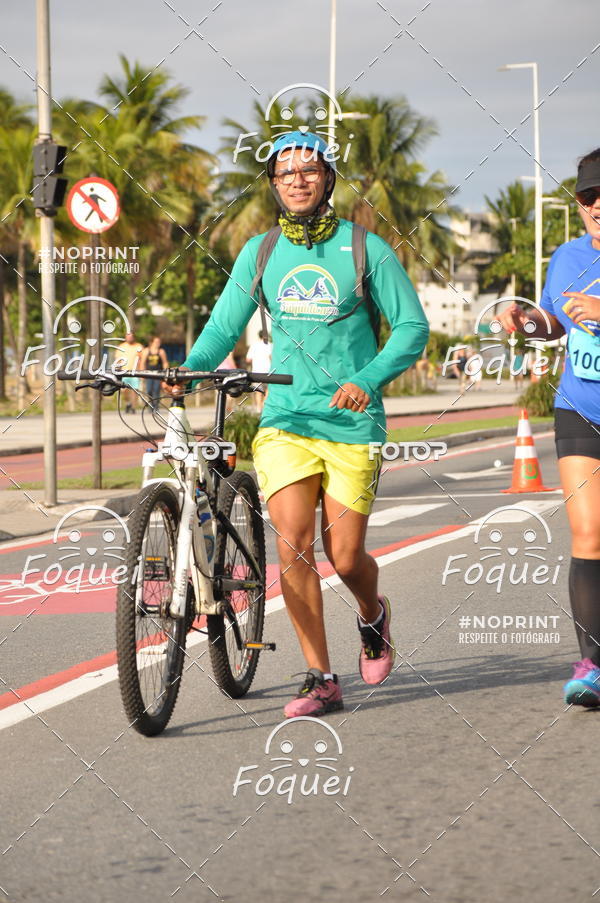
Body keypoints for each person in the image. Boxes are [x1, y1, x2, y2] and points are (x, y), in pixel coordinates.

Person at [165, 131, 429, 718]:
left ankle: (373, 614)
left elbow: (412, 328)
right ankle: (319, 677)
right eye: (285, 173)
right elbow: (221, 328)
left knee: (348, 555)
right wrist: (189, 368)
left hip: (352, 422)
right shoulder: (260, 253)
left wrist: (370, 377)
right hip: (284, 419)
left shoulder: (365, 248)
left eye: (308, 170)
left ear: (327, 180)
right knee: (294, 549)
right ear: (274, 186)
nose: (297, 180)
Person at [498, 147, 600, 707]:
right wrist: (525, 319)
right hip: (581, 407)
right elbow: (552, 321)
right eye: (588, 196)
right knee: (588, 535)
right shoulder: (566, 256)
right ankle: (593, 666)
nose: (598, 205)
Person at [115, 332, 144, 413]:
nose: (130, 338)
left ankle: (133, 407)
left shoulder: (138, 346)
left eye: (131, 337)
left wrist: (142, 370)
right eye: (128, 337)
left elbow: (142, 360)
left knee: (134, 390)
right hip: (124, 371)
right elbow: (118, 360)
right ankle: (128, 403)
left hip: (135, 372)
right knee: (124, 390)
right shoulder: (122, 347)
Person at [246, 330, 273, 412]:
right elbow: (271, 357)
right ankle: (264, 404)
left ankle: (258, 408)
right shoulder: (270, 345)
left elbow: (248, 359)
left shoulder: (254, 345)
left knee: (258, 390)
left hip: (257, 371)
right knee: (268, 390)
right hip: (268, 371)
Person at [140, 336, 168, 411]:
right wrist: (142, 373)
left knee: (156, 390)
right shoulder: (146, 351)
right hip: (149, 374)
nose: (158, 343)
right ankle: (151, 405)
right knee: (149, 390)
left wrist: (166, 373)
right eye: (156, 342)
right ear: (152, 342)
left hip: (158, 374)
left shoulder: (161, 351)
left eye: (159, 342)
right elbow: (142, 363)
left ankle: (156, 406)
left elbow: (165, 363)